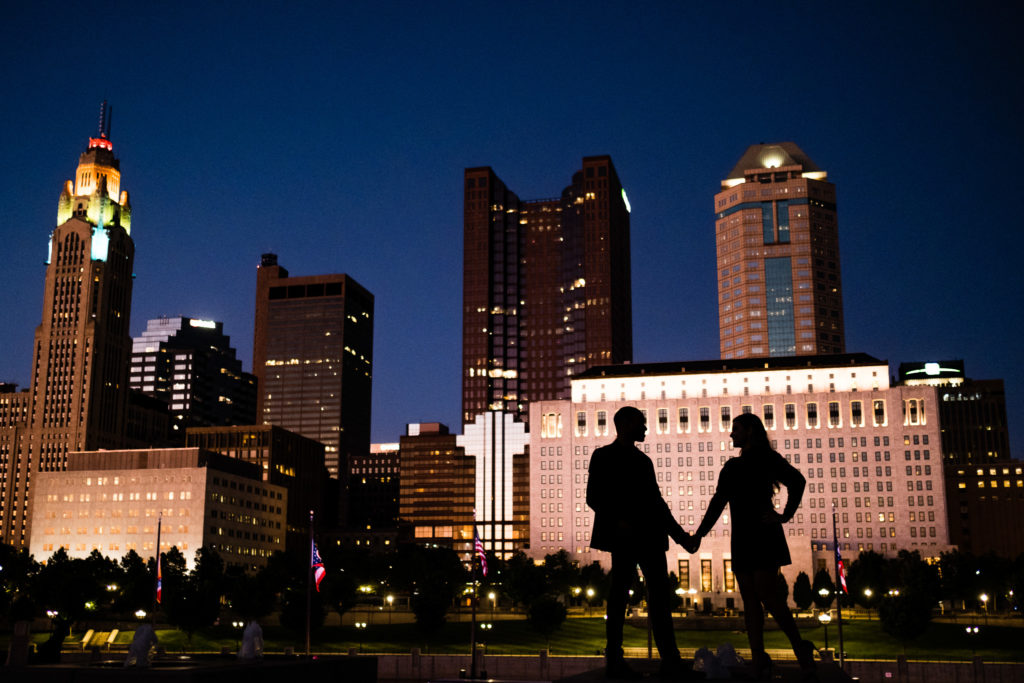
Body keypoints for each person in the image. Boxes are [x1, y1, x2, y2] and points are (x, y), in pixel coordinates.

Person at [689, 412, 816, 680]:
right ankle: (759, 657)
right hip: (743, 537)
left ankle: (799, 648)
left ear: (749, 431)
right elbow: (717, 503)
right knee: (749, 599)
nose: (731, 434)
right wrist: (699, 534)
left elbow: (798, 482)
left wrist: (784, 515)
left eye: (735, 429)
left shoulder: (768, 459)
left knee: (768, 595)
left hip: (764, 534)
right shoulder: (731, 468)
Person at [587, 406, 695, 679]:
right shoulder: (603, 456)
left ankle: (669, 659)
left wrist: (681, 537)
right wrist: (618, 521)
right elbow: (594, 497)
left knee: (659, 597)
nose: (646, 429)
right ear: (625, 425)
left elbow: (657, 504)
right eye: (642, 424)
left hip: (650, 537)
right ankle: (615, 659)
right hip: (624, 538)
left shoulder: (643, 461)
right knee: (619, 595)